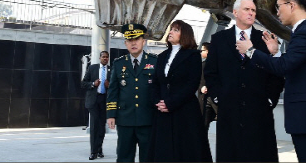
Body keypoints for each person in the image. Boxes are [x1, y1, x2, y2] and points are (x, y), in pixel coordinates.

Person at [237, 0, 306, 162]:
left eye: (279, 7)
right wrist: (276, 53)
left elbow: (283, 67)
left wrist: (251, 51)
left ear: (291, 5)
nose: (277, 12)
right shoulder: (302, 32)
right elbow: (293, 66)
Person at [204, 0, 284, 162]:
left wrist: (270, 99)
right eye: (247, 9)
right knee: (230, 154)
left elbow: (276, 72)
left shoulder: (265, 39)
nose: (251, 13)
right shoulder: (220, 39)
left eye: (253, 10)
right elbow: (211, 72)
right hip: (229, 110)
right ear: (235, 12)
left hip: (259, 110)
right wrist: (218, 96)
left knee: (259, 154)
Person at [147, 20, 212, 162]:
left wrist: (171, 103)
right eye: (171, 29)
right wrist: (157, 102)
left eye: (176, 30)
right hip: (162, 111)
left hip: (184, 111)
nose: (170, 32)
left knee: (185, 151)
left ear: (185, 35)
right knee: (163, 151)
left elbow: (191, 84)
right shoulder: (162, 56)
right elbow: (155, 82)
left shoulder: (193, 55)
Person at [106, 23, 158, 162]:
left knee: (148, 157)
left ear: (143, 41)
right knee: (124, 156)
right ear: (125, 43)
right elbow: (113, 91)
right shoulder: (118, 63)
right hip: (125, 119)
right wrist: (111, 115)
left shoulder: (155, 62)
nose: (133, 43)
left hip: (148, 118)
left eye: (136, 39)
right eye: (129, 40)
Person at [82, 50, 111, 160]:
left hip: (104, 100)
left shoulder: (111, 70)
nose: (105, 59)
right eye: (103, 57)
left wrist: (110, 85)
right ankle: (93, 152)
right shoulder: (92, 68)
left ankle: (99, 149)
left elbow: (116, 86)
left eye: (107, 57)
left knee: (101, 126)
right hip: (93, 101)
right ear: (100, 58)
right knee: (94, 126)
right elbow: (84, 83)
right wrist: (93, 84)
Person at [197, 42, 217, 131]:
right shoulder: (202, 65)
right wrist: (201, 88)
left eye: (203, 50)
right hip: (204, 98)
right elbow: (198, 81)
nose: (201, 52)